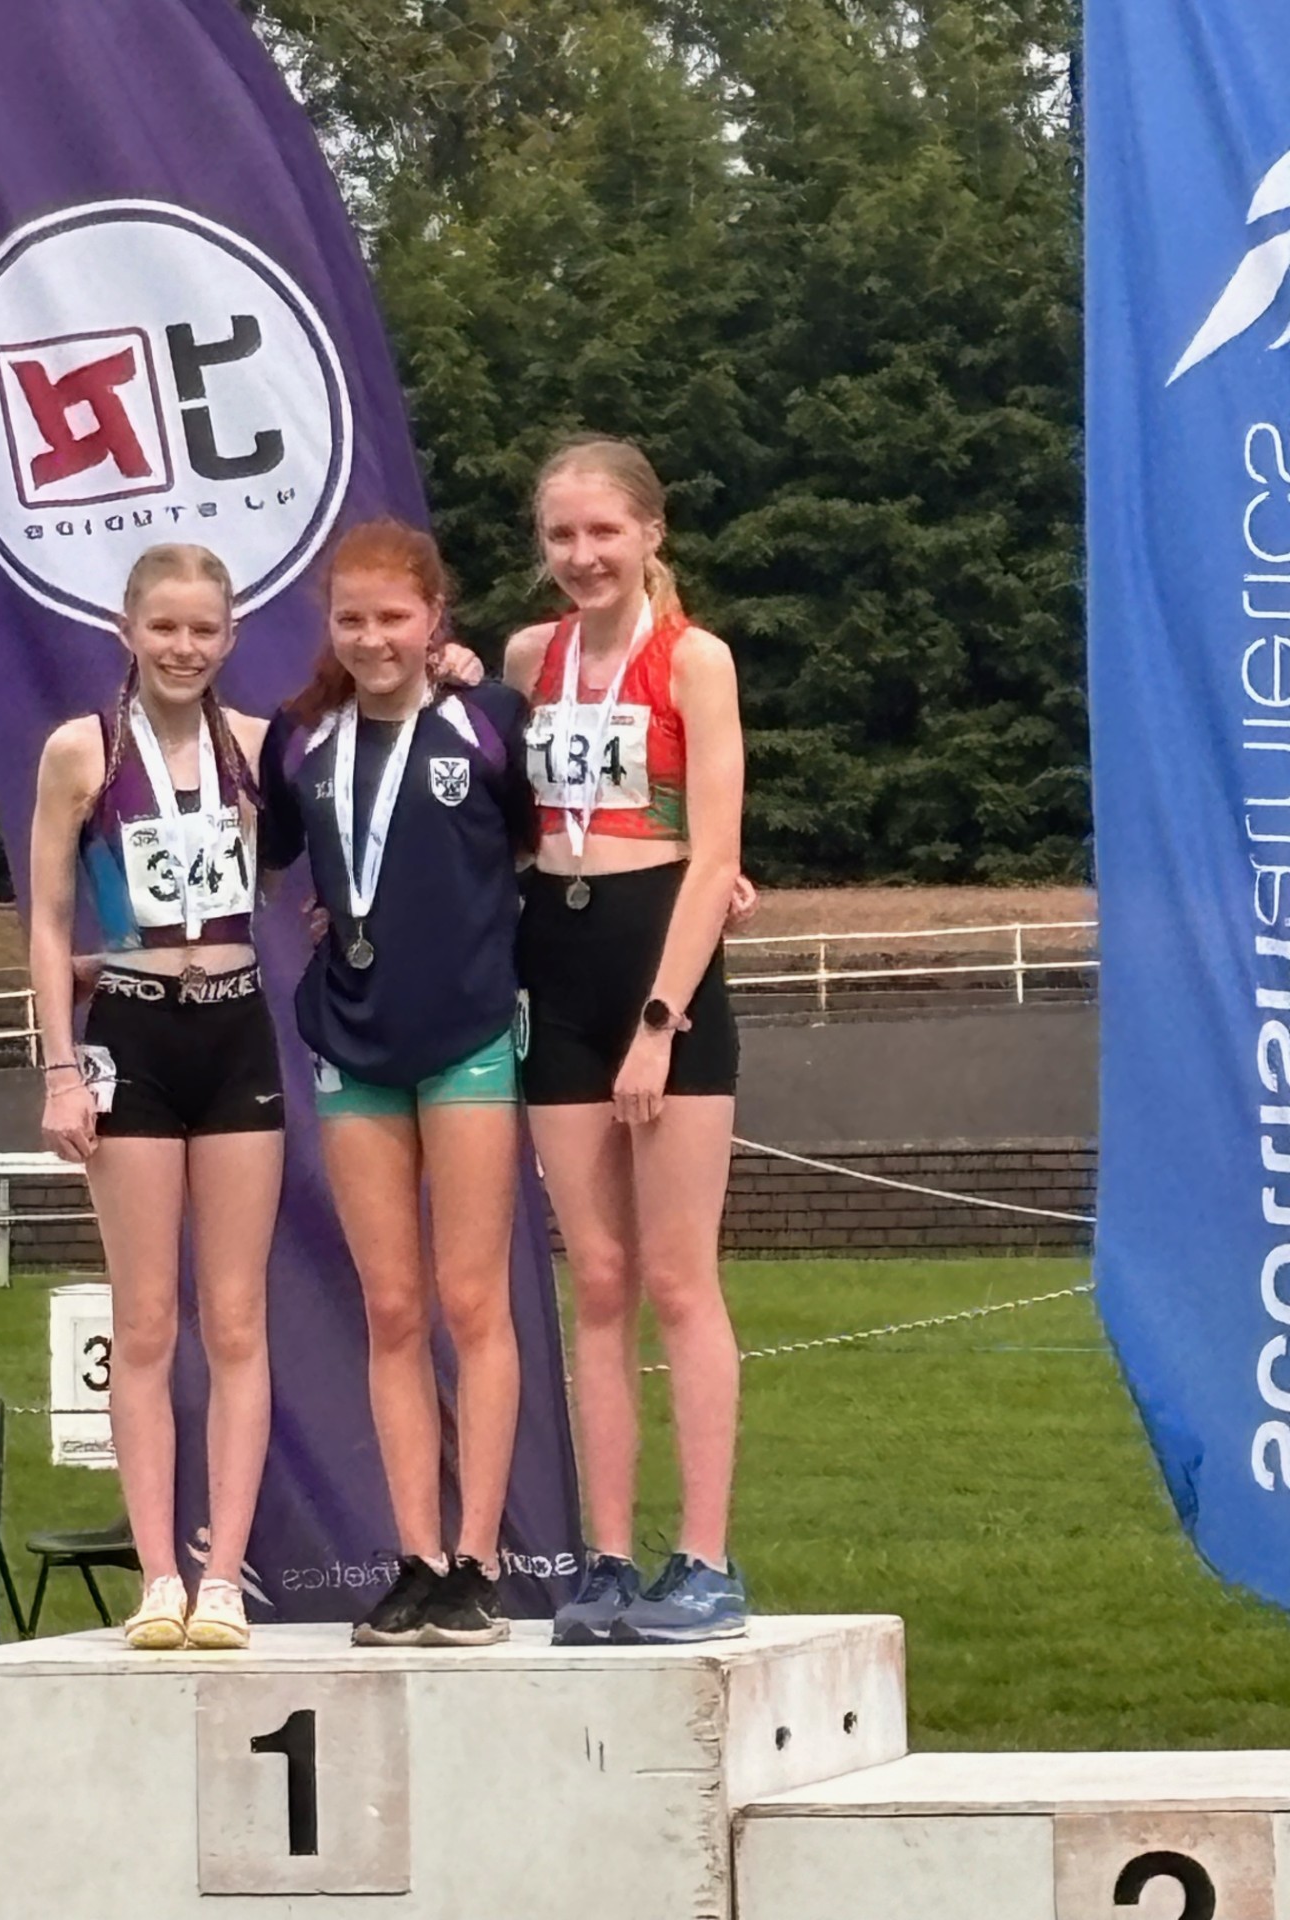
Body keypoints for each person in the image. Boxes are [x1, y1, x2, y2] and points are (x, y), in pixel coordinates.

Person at [260, 518, 536, 1648]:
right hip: (353, 1040)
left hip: (467, 1031)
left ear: (436, 619)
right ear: (331, 625)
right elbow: (271, 855)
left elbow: (538, 845)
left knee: (473, 1301)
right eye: (352, 618)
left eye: (395, 616)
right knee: (390, 1307)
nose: (374, 637)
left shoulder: (487, 721)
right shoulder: (301, 740)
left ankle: (479, 1560)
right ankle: (414, 1553)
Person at [503, 435, 746, 1645]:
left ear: (653, 532)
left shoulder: (694, 660)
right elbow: (492, 811)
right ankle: (604, 1558)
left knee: (675, 1275)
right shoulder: (528, 658)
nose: (583, 556)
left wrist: (661, 1020)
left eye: (605, 532)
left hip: (662, 963)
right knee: (593, 1280)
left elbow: (715, 855)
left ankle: (703, 1556)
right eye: (563, 537)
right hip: (555, 958)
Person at [29, 544, 281, 1653]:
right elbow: (45, 921)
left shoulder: (265, 751)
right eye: (164, 627)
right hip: (128, 1032)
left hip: (235, 1028)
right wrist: (58, 1067)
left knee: (234, 1317)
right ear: (127, 630)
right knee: (144, 1319)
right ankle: (157, 1576)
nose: (184, 648)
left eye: (204, 630)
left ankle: (224, 1574)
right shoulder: (79, 752)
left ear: (230, 638)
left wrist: (460, 670)